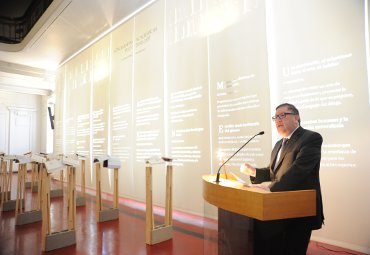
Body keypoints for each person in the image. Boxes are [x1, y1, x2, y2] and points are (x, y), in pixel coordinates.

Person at [241, 103, 324, 255]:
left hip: (299, 210)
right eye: (275, 117)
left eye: (282, 115)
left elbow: (299, 171)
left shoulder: (311, 138)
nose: (278, 120)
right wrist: (253, 172)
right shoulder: (279, 144)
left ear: (296, 118)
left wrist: (270, 188)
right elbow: (273, 173)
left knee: (293, 250)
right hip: (277, 210)